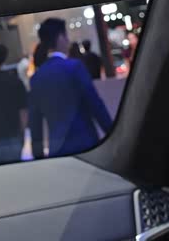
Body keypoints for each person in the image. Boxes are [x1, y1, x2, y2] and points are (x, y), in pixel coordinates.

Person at [29, 18, 113, 158]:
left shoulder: (36, 78)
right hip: (86, 143)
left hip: (57, 150)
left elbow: (35, 122)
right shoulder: (74, 67)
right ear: (60, 37)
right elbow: (95, 104)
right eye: (66, 36)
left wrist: (38, 156)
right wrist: (112, 134)